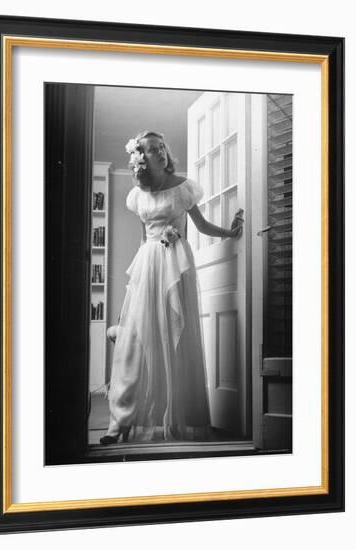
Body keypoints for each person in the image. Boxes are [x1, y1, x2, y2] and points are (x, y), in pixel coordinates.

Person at [100, 130, 243, 445]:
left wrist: (231, 234)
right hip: (148, 263)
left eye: (161, 146)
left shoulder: (184, 188)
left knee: (174, 340)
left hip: (176, 266)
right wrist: (137, 281)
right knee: (135, 342)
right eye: (151, 149)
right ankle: (119, 424)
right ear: (141, 158)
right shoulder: (139, 195)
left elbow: (202, 225)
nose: (159, 151)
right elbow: (143, 237)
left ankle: (177, 421)